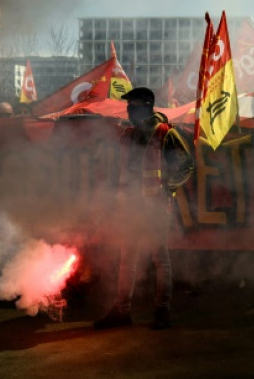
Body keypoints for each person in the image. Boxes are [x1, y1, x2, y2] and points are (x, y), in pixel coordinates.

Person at [94, 87, 194, 330]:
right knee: (127, 259)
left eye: (134, 107)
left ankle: (162, 312)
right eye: (128, 107)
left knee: (160, 259)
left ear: (147, 107)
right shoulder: (126, 136)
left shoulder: (165, 133)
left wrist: (167, 188)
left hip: (155, 208)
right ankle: (121, 312)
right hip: (130, 208)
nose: (129, 111)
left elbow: (187, 164)